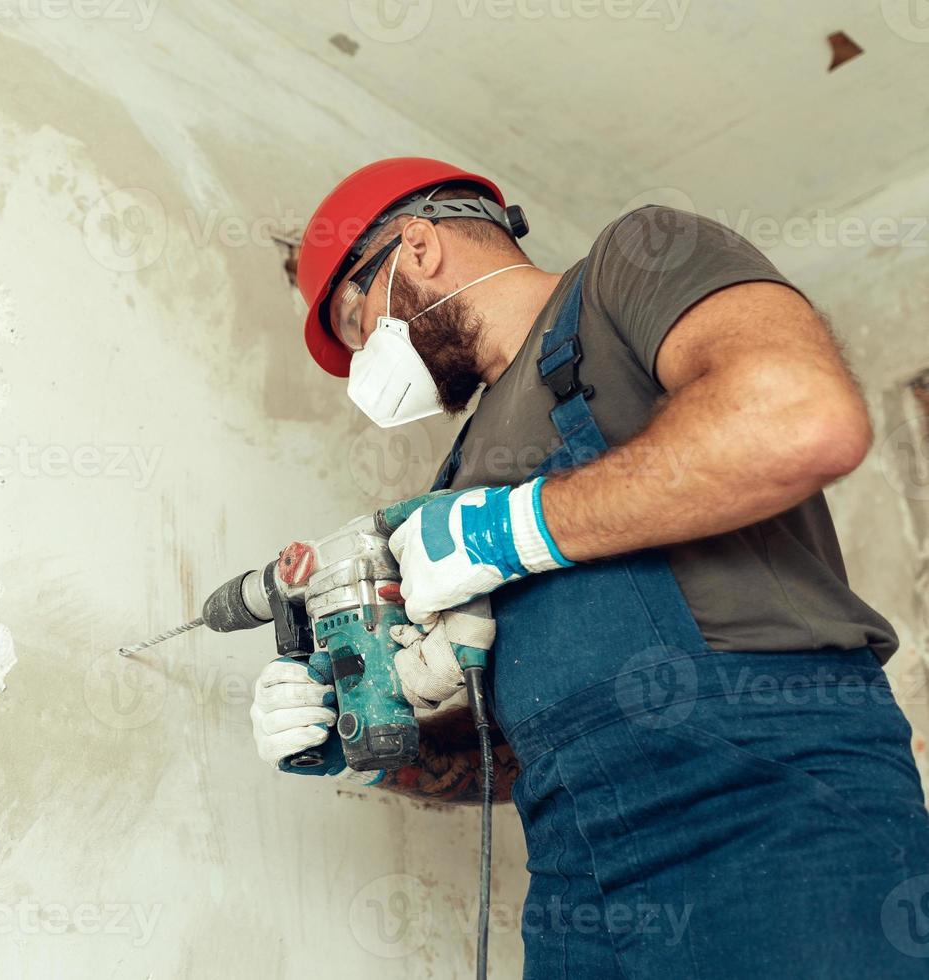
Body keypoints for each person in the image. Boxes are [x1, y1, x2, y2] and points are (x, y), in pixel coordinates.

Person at [249, 157, 929, 978]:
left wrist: (518, 527)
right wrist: (367, 737)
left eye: (360, 327)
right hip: (573, 859)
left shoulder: (633, 262)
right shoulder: (461, 475)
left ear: (417, 248)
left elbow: (798, 416)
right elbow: (508, 763)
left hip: (763, 784)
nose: (366, 371)